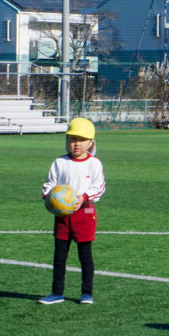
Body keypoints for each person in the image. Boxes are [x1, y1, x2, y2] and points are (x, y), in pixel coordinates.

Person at [38, 117, 106, 305]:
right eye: (72, 139)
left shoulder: (94, 163)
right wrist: (49, 196)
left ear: (90, 142)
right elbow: (50, 184)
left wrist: (84, 197)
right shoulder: (60, 162)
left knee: (85, 256)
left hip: (85, 211)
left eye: (81, 140)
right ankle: (57, 293)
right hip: (62, 214)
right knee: (60, 256)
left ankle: (87, 293)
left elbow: (99, 187)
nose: (76, 144)